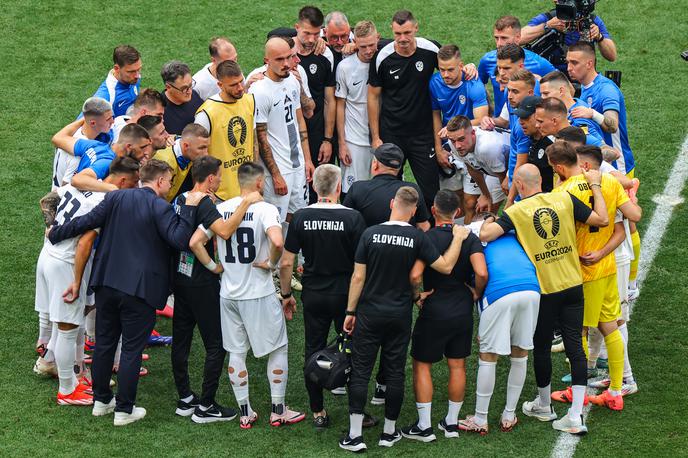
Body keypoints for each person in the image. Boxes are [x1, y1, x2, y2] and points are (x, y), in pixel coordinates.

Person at [47, 159, 206, 426]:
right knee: (131, 348)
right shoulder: (161, 207)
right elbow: (180, 240)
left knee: (105, 343)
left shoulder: (116, 198)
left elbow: (86, 222)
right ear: (158, 182)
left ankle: (101, 401)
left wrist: (56, 233)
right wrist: (189, 211)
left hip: (107, 284)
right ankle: (124, 409)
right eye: (168, 181)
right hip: (140, 290)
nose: (169, 186)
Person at [479, 159, 609, 435]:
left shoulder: (517, 211)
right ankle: (575, 415)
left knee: (540, 345)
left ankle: (544, 404)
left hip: (546, 289)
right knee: (576, 345)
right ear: (542, 181)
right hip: (574, 284)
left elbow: (486, 234)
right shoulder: (564, 198)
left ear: (520, 185)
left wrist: (491, 218)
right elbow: (602, 219)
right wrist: (596, 186)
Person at [339, 186, 469, 452]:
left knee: (362, 371)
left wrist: (350, 312)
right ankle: (388, 433)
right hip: (399, 315)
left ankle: (354, 436)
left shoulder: (370, 234)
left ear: (391, 204)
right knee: (395, 372)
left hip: (369, 313)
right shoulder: (417, 237)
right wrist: (457, 237)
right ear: (414, 211)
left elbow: (358, 278)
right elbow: (444, 267)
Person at [189, 161, 306, 429]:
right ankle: (278, 410)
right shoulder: (265, 209)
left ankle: (245, 412)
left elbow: (195, 242)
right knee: (278, 347)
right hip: (259, 293)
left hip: (228, 294)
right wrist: (271, 263)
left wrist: (213, 267)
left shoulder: (221, 208)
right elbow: (277, 242)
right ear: (258, 182)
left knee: (236, 352)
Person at [36, 157, 140, 405]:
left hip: (48, 255)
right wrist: (77, 280)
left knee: (68, 323)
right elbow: (84, 244)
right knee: (68, 328)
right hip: (66, 264)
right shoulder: (106, 202)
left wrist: (51, 227)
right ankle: (67, 390)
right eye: (134, 183)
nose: (135, 188)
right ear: (123, 180)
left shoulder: (84, 184)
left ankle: (67, 379)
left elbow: (47, 199)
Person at [549, 143, 641, 411]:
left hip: (582, 272)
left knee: (577, 333)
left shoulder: (562, 192)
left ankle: (577, 387)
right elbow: (627, 221)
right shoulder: (610, 182)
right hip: (607, 266)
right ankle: (615, 388)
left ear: (558, 167)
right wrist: (601, 252)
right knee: (610, 325)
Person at [171, 156, 262, 423]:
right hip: (201, 282)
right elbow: (222, 231)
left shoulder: (181, 199)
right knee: (216, 345)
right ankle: (206, 405)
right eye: (219, 176)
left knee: (182, 338)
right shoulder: (206, 202)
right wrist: (245, 202)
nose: (221, 179)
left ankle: (186, 398)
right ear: (210, 178)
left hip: (179, 278)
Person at [279, 164, 367, 428]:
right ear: (339, 187)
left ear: (314, 187)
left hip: (314, 294)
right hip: (345, 294)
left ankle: (318, 412)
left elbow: (285, 263)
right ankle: (356, 414)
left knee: (313, 350)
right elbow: (362, 264)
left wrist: (285, 295)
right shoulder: (354, 218)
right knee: (353, 349)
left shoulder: (302, 217)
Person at [401, 190, 487, 442]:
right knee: (457, 364)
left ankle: (424, 426)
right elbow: (481, 272)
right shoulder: (468, 237)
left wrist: (417, 297)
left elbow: (415, 275)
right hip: (462, 307)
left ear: (434, 210)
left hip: (434, 307)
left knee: (422, 365)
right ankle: (451, 423)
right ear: (458, 212)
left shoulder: (425, 237)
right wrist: (474, 293)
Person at [567, 42, 641, 302]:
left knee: (628, 224)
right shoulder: (584, 88)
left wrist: (592, 114)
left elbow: (611, 125)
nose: (569, 67)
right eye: (567, 62)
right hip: (599, 163)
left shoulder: (606, 90)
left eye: (574, 63)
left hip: (616, 164)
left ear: (590, 63)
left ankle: (631, 282)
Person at [459, 214, 540, 434]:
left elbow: (477, 273)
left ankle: (480, 418)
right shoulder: (513, 230)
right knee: (520, 352)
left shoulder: (468, 233)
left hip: (499, 292)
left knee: (488, 355)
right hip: (532, 288)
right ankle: (509, 415)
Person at [368, 10, 441, 213]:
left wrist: (467, 68)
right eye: (398, 33)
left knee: (430, 192)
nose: (402, 39)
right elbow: (373, 96)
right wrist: (376, 137)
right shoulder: (382, 57)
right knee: (389, 190)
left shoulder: (431, 49)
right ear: (392, 30)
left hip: (422, 134)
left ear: (416, 28)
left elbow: (450, 65)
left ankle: (430, 233)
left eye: (407, 32)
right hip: (392, 133)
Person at [249, 37, 314, 224]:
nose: (286, 64)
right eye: (279, 59)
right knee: (275, 222)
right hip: (277, 170)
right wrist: (276, 175)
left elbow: (299, 120)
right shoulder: (259, 91)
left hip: (298, 165)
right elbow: (260, 137)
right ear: (266, 60)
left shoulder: (292, 81)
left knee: (298, 218)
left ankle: (298, 255)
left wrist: (307, 159)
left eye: (288, 57)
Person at [195, 60, 256, 201]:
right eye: (233, 85)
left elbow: (254, 142)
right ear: (220, 85)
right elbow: (198, 157)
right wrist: (203, 192)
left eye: (241, 81)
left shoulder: (250, 101)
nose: (240, 87)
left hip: (247, 190)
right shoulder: (206, 114)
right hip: (219, 195)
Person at [480, 61, 538, 206]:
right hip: (514, 178)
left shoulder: (524, 126)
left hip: (522, 185)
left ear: (530, 93)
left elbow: (521, 161)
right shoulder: (513, 103)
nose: (510, 95)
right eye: (509, 90)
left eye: (515, 92)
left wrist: (510, 200)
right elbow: (504, 122)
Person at [295, 6, 336, 202]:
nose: (311, 39)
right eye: (307, 33)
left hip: (317, 131)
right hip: (292, 134)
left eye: (316, 33)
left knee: (320, 190)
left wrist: (328, 139)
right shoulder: (285, 53)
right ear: (296, 28)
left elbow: (329, 100)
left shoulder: (325, 55)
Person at [478, 16, 555, 115]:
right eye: (496, 38)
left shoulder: (538, 64)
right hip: (499, 122)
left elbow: (563, 86)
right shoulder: (487, 60)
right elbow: (479, 86)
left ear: (518, 38)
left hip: (527, 124)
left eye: (504, 38)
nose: (499, 44)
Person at [335, 20, 379, 195]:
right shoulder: (345, 67)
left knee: (381, 189)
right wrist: (342, 143)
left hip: (381, 138)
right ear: (355, 43)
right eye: (362, 47)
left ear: (378, 38)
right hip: (354, 140)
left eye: (371, 45)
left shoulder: (384, 60)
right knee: (353, 190)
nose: (368, 51)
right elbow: (340, 105)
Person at [344, 143, 430, 231]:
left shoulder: (357, 188)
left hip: (366, 243)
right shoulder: (411, 190)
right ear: (399, 168)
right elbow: (423, 226)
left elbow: (345, 222)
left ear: (375, 164)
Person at [52, 120, 152, 192]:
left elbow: (58, 138)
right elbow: (77, 180)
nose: (146, 152)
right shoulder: (107, 162)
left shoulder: (96, 145)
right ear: (129, 147)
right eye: (142, 147)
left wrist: (84, 119)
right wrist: (113, 189)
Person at [443, 115, 509, 221]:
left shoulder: (487, 147)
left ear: (473, 133)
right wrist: (486, 195)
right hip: (494, 167)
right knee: (482, 207)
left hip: (511, 168)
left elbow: (505, 183)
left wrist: (510, 203)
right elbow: (472, 167)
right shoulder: (454, 143)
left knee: (510, 209)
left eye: (461, 139)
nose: (457, 146)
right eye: (453, 140)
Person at [520, 5, 617, 69]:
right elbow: (519, 38)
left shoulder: (592, 20)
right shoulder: (550, 17)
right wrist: (547, 25)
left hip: (582, 79)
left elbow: (612, 56)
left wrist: (599, 37)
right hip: (551, 77)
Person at [245, 34, 315, 119]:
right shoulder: (255, 78)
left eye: (289, 57)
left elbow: (309, 112)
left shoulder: (298, 71)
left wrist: (300, 87)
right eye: (292, 56)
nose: (298, 60)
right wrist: (245, 89)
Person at [53, 97, 114, 190]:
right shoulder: (78, 155)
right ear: (93, 123)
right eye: (108, 119)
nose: (112, 121)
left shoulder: (73, 134)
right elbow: (66, 188)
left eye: (112, 117)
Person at [539, 70, 606, 141]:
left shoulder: (578, 119)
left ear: (561, 91)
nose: (542, 98)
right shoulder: (575, 102)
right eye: (541, 94)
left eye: (546, 93)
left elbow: (599, 146)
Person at [152, 123, 209, 202]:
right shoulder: (165, 162)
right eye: (201, 148)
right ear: (186, 146)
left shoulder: (186, 147)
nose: (206, 153)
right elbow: (153, 198)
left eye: (206, 147)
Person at [514, 96, 556, 192]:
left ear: (538, 116)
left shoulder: (552, 143)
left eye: (525, 117)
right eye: (520, 117)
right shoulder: (529, 138)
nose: (521, 122)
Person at [89, 45, 142, 117]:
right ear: (117, 69)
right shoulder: (105, 97)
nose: (137, 75)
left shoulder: (133, 78)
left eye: (139, 69)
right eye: (131, 71)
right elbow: (84, 125)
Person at [534, 98, 605, 147]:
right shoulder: (552, 136)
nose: (537, 125)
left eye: (540, 121)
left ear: (554, 121)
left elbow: (608, 151)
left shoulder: (578, 135)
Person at [161, 61, 204, 135]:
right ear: (168, 87)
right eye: (184, 88)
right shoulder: (160, 110)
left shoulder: (194, 95)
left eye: (191, 85)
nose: (189, 91)